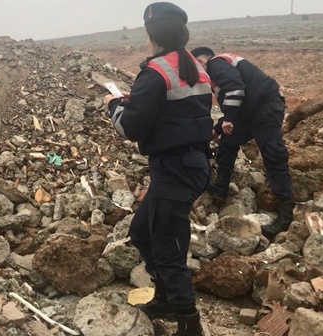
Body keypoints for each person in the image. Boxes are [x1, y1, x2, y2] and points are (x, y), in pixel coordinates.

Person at [102, 3, 212, 335]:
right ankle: (165, 296)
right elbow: (177, 113)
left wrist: (112, 108)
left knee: (167, 247)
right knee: (142, 232)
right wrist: (135, 102)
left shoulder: (155, 72)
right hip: (189, 164)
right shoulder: (194, 65)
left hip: (175, 167)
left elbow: (132, 128)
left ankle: (189, 324)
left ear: (152, 34)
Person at [190, 46, 294, 240]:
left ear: (202, 61)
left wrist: (228, 119)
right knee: (228, 141)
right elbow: (237, 104)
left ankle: (286, 213)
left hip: (266, 107)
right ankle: (221, 186)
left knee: (273, 153)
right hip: (250, 112)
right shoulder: (217, 73)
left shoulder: (216, 64)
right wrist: (219, 127)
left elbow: (236, 89)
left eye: (197, 65)